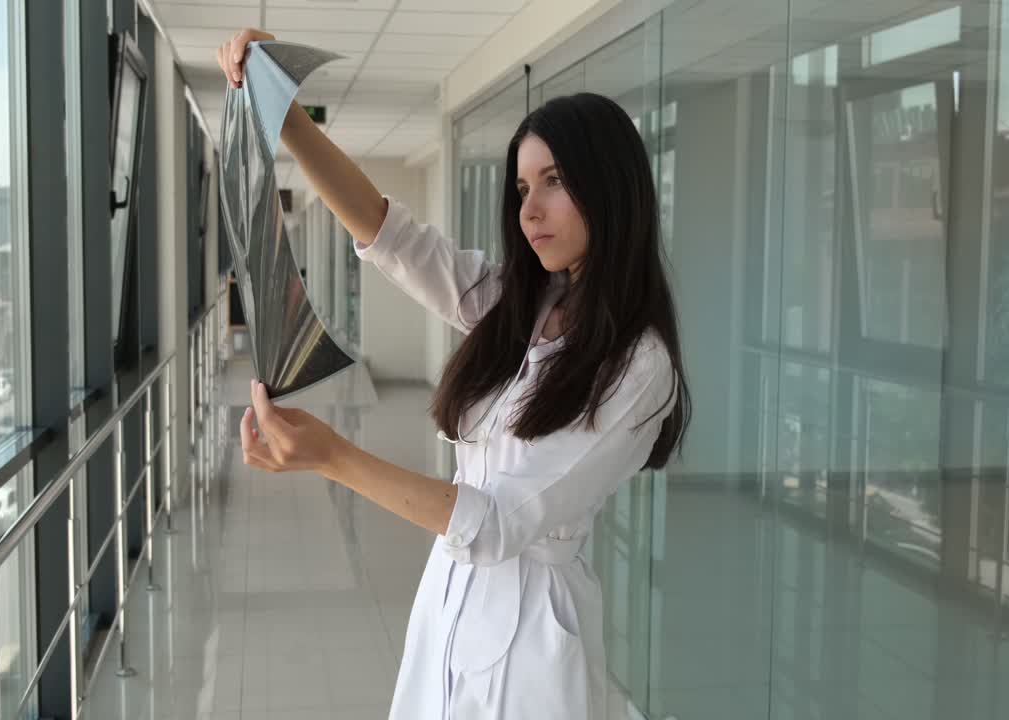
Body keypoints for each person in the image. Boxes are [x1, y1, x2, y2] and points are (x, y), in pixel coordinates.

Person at [219, 28, 691, 720]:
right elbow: (392, 238)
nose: (529, 209)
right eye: (523, 186)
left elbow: (497, 522)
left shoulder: (639, 365)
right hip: (450, 600)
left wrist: (332, 457)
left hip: (533, 634)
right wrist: (283, 114)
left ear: (611, 185)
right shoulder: (525, 305)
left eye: (555, 182)